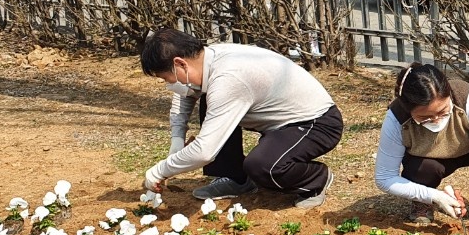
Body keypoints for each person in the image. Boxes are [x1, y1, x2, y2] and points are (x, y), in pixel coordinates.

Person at [140, 27, 343, 208]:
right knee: (209, 100)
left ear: (180, 63)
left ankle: (315, 180)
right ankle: (235, 178)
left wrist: (160, 171)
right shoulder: (208, 58)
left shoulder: (228, 78)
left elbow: (204, 152)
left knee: (263, 166)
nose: (168, 85)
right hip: (280, 121)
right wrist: (177, 140)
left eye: (166, 78)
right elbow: (185, 95)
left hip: (315, 123)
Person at [374, 63, 469, 223]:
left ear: (449, 95)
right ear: (408, 109)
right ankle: (422, 203)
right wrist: (434, 196)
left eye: (442, 111)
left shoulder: (466, 97)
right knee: (422, 170)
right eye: (425, 117)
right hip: (429, 159)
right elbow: (384, 177)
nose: (436, 120)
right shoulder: (397, 117)